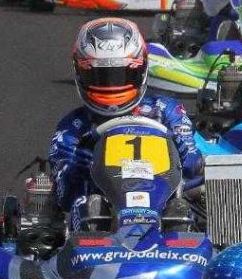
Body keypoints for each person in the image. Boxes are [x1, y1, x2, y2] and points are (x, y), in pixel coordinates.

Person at [49, 17, 204, 222]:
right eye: (101, 76)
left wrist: (182, 152)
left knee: (184, 206)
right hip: (103, 218)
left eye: (121, 74)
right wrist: (76, 169)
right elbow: (64, 196)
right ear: (80, 73)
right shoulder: (74, 127)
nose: (112, 85)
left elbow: (193, 165)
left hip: (165, 208)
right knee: (87, 206)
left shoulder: (166, 110)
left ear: (141, 69)